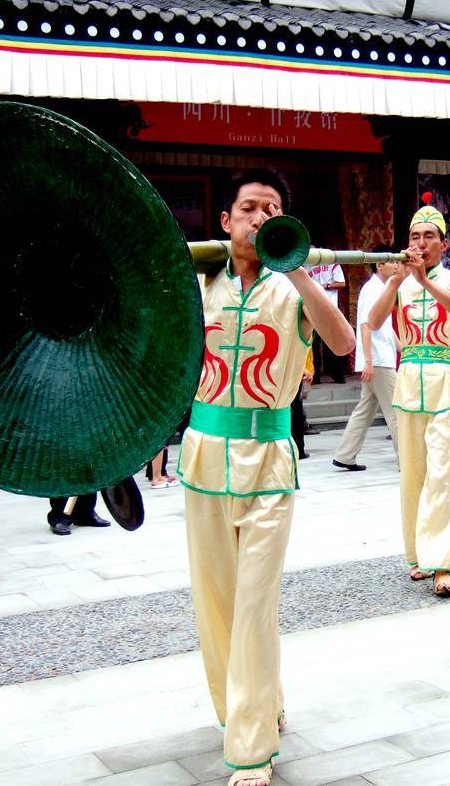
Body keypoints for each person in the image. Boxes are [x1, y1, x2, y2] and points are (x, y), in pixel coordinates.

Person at [176, 169, 354, 786]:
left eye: (270, 209)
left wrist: (299, 266)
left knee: (255, 603)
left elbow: (343, 341)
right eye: (247, 208)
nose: (257, 217)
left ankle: (250, 750)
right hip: (202, 459)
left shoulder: (291, 290)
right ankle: (250, 707)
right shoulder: (193, 285)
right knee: (217, 605)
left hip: (270, 464)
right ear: (225, 222)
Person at [368, 200, 450, 597]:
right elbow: (374, 322)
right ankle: (416, 555)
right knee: (412, 471)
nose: (421, 242)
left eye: (429, 236)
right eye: (415, 236)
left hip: (445, 379)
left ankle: (441, 561)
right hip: (409, 381)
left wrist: (426, 281)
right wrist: (396, 281)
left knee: (444, 471)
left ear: (444, 244)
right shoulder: (399, 284)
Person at [333, 255, 401, 471]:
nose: (396, 265)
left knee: (365, 410)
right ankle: (407, 460)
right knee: (397, 410)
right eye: (392, 262)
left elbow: (386, 328)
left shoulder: (383, 288)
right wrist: (369, 361)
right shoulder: (372, 289)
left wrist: (404, 348)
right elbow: (365, 325)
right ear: (380, 264)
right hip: (378, 360)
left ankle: (345, 455)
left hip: (380, 357)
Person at [307, 259, 347, 383]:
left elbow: (342, 283)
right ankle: (316, 375)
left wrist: (326, 286)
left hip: (330, 310)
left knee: (333, 344)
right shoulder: (306, 266)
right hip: (313, 310)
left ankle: (337, 374)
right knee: (314, 345)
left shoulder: (332, 264)